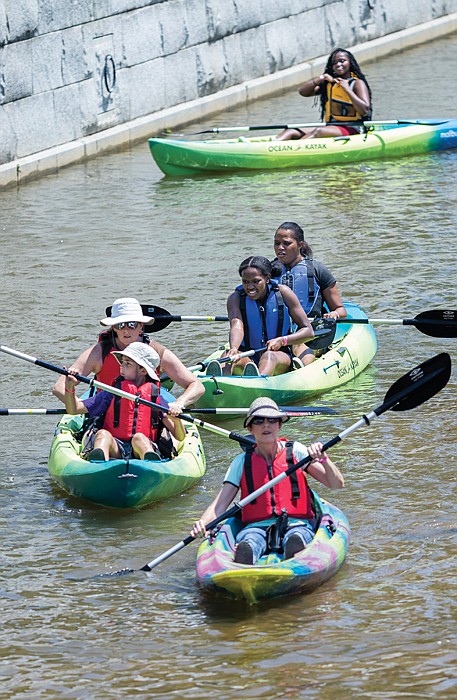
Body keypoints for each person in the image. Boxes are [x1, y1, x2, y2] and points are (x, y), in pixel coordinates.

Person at [191, 397, 344, 564]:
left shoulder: (297, 452)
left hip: (296, 523)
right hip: (255, 527)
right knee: (249, 542)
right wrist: (203, 523)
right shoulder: (241, 462)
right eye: (258, 421)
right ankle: (246, 557)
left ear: (279, 426)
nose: (266, 425)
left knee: (296, 537)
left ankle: (296, 552)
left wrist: (324, 459)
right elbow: (220, 504)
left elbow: (336, 484)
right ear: (250, 428)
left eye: (272, 420)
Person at [53, 297, 204, 416]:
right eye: (120, 325)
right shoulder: (99, 352)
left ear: (140, 326)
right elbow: (59, 387)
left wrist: (179, 403)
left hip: (147, 416)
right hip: (107, 415)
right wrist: (81, 406)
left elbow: (196, 385)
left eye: (131, 324)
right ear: (113, 327)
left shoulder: (155, 352)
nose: (126, 330)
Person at [64, 342, 186, 462]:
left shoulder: (155, 398)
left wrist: (177, 420)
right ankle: (99, 465)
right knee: (103, 435)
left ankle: (150, 464)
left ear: (143, 370)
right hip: (116, 448)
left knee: (139, 439)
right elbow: (74, 409)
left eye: (128, 364)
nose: (121, 367)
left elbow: (180, 436)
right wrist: (70, 387)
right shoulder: (111, 392)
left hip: (143, 448)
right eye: (122, 362)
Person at [207, 256, 314, 377]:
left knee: (269, 356)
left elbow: (308, 331)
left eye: (255, 281)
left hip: (278, 355)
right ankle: (218, 384)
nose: (250, 287)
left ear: (267, 278)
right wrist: (234, 348)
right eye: (245, 282)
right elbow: (236, 326)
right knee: (228, 358)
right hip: (248, 357)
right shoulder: (235, 298)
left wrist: (283, 340)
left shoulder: (284, 293)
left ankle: (259, 383)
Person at [273, 221, 347, 364]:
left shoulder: (318, 270)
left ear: (300, 245)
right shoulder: (267, 272)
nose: (280, 248)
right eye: (276, 243)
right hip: (277, 333)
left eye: (286, 243)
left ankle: (303, 367)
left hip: (309, 333)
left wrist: (334, 314)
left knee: (300, 345)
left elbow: (340, 309)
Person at [276, 48, 372, 141]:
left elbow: (364, 110)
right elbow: (303, 92)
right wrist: (322, 78)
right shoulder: (329, 84)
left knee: (319, 131)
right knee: (292, 130)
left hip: (353, 128)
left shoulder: (358, 83)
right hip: (331, 126)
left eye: (342, 61)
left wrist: (347, 89)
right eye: (334, 63)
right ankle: (272, 146)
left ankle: (293, 150)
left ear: (350, 63)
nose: (338, 64)